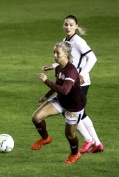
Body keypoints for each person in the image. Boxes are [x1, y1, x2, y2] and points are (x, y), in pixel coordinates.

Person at [42, 15, 103, 153]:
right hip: (73, 81)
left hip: (80, 82)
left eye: (71, 24)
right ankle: (97, 144)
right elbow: (67, 60)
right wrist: (53, 65)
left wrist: (83, 73)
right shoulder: (66, 41)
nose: (68, 27)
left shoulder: (78, 41)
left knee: (71, 111)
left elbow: (92, 58)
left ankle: (89, 140)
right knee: (81, 114)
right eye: (66, 24)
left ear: (76, 26)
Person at [31, 41, 84, 164]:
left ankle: (75, 154)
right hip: (60, 100)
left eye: (58, 53)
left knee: (70, 135)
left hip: (73, 106)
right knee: (36, 117)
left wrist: (46, 80)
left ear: (66, 54)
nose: (55, 55)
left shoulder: (71, 70)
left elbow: (65, 90)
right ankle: (45, 138)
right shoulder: (59, 67)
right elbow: (58, 85)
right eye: (54, 52)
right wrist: (46, 96)